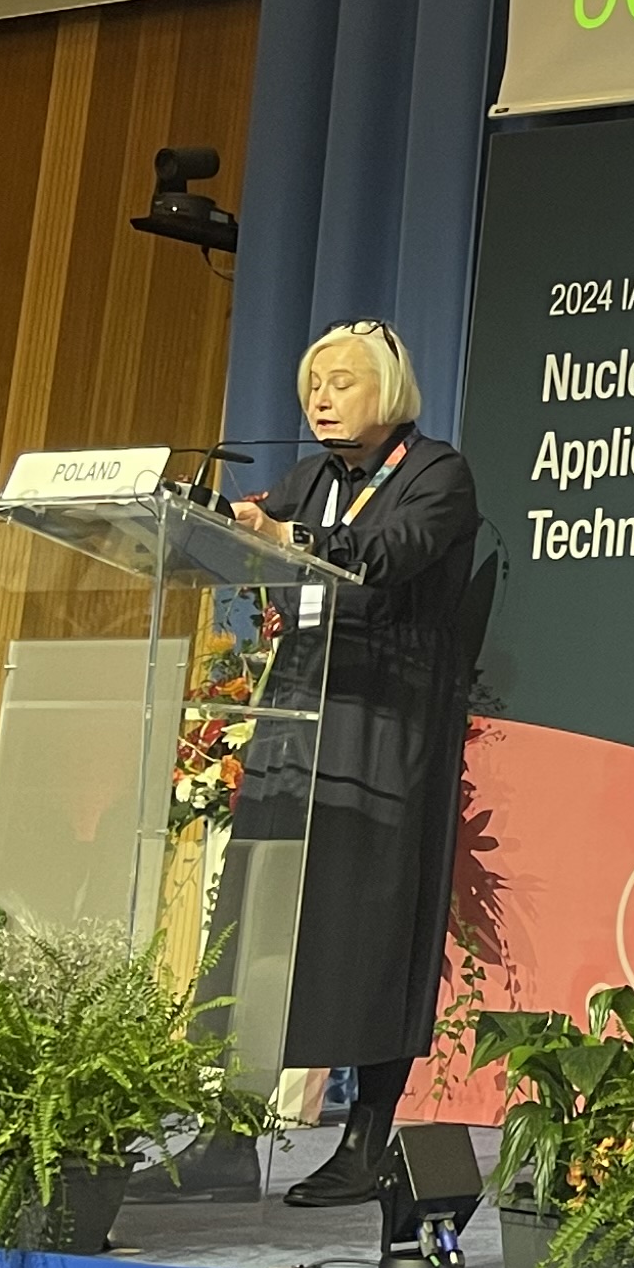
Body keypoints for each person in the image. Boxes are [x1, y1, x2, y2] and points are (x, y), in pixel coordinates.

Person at [229, 320, 486, 1207]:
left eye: (342, 382)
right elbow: (259, 533)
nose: (322, 398)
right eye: (313, 384)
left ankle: (365, 1141)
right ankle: (228, 1134)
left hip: (386, 717)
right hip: (300, 704)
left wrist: (291, 538)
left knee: (373, 921)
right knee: (262, 908)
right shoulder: (309, 478)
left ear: (390, 390)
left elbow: (391, 553)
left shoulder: (437, 472)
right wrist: (234, 524)